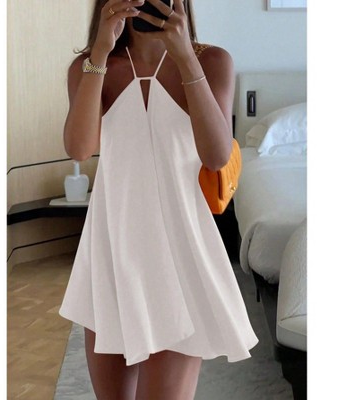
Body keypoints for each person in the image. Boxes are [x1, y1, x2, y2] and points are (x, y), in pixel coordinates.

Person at [59, 0, 259, 399]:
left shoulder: (212, 61)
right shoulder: (90, 65)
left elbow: (216, 155)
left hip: (178, 257)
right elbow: (80, 148)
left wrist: (185, 58)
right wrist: (100, 52)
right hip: (111, 254)